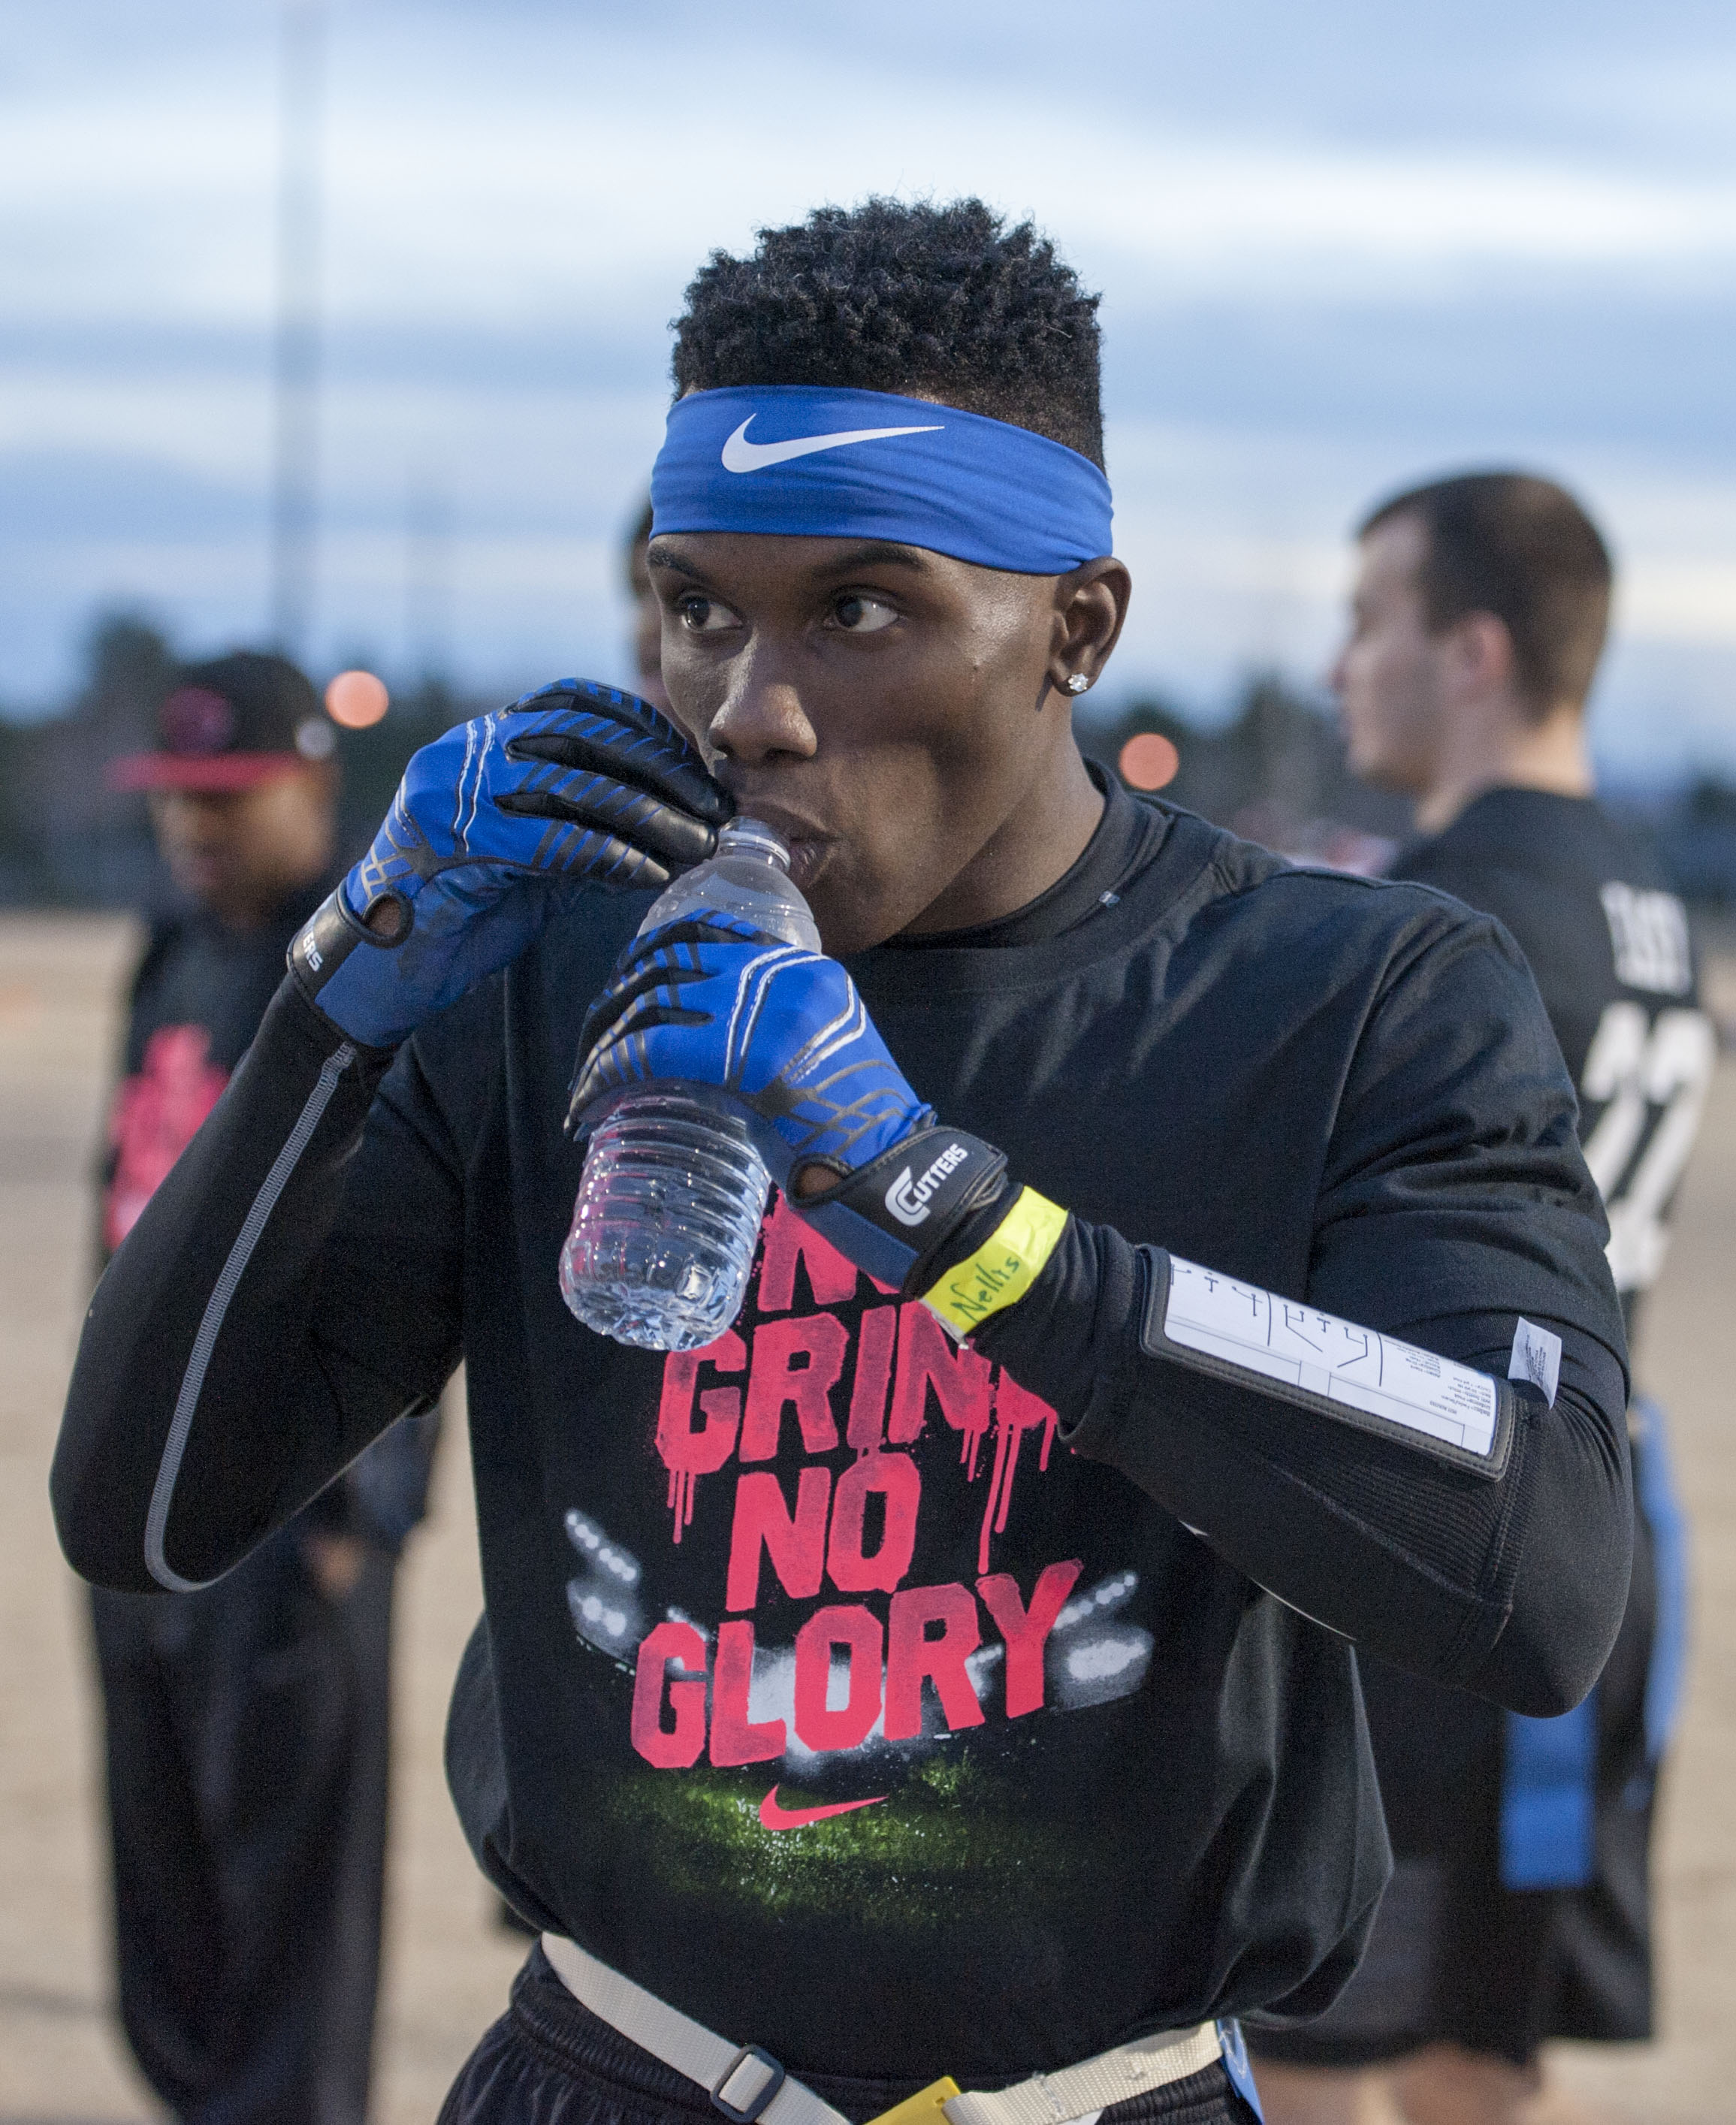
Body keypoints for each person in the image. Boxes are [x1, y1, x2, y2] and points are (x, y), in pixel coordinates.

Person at [54, 200, 1635, 2125]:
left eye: (859, 609)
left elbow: (1546, 1574)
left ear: (1076, 627)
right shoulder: (562, 961)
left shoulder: (1347, 989)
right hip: (613, 2063)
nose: (751, 705)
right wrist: (336, 1001)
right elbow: (141, 1510)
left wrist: (957, 1215)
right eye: (699, 607)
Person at [1250, 475, 1710, 2125]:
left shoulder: (1434, 922)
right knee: (1476, 2060)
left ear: (1474, 653)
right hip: (1601, 1526)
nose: (1338, 666)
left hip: (1429, 1556)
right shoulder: (1646, 904)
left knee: (1300, 2052)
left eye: (1368, 620)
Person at [92, 651, 440, 2125]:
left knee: (292, 1887)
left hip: (293, 1504)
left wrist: (368, 1509)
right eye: (178, 798)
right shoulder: (170, 945)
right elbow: (119, 1196)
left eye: (228, 798)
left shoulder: (372, 963)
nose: (196, 827)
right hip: (144, 1479)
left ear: (311, 785)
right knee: (162, 1859)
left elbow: (412, 1249)